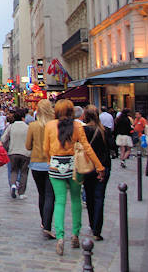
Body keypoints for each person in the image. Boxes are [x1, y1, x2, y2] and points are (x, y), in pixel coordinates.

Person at [44, 99, 105, 255]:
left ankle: (60, 236)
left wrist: (51, 160)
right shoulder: (77, 126)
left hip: (56, 165)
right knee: (76, 199)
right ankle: (75, 234)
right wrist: (99, 166)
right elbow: (87, 148)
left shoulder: (50, 126)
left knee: (60, 201)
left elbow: (46, 148)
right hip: (74, 167)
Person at [27, 99, 56, 239]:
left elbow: (27, 146)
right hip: (51, 163)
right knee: (50, 195)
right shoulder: (54, 125)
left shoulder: (33, 126)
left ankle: (43, 222)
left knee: (42, 194)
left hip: (37, 163)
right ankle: (47, 223)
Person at [82, 105, 112, 241]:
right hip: (103, 167)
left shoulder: (83, 131)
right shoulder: (105, 131)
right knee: (99, 197)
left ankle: (92, 223)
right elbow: (112, 147)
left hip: (88, 167)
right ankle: (97, 228)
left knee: (89, 196)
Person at [2, 111, 31, 200]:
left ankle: (13, 184)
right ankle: (21, 192)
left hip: (13, 152)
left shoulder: (11, 126)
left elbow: (3, 139)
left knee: (13, 171)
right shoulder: (27, 127)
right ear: (23, 118)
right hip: (25, 153)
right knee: (23, 172)